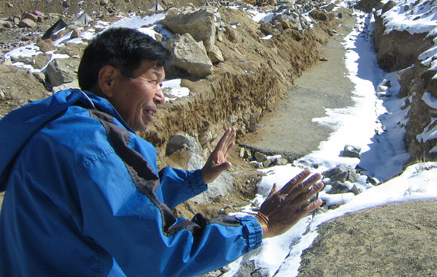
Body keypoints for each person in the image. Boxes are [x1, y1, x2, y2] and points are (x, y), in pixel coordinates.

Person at [0, 27, 324, 277]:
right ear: (109, 79)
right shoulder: (91, 149)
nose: (162, 97)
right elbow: (160, 253)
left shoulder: (65, 129)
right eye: (154, 81)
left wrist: (198, 178)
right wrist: (261, 224)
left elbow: (125, 198)